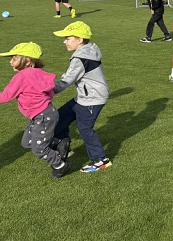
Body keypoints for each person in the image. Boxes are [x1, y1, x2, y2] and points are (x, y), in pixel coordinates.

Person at [0, 42, 70, 179]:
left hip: (42, 116)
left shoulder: (21, 77)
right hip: (42, 114)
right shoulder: (37, 73)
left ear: (27, 61)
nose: (10, 62)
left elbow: (6, 97)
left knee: (39, 149)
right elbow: (49, 92)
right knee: (27, 143)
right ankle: (58, 143)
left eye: (14, 58)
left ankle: (60, 165)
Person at [50, 21, 112, 174]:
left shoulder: (80, 59)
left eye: (68, 38)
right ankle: (63, 147)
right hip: (84, 97)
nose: (64, 41)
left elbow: (65, 81)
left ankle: (100, 160)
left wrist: (45, 91)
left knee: (84, 128)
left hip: (93, 98)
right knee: (61, 117)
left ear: (80, 39)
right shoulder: (87, 51)